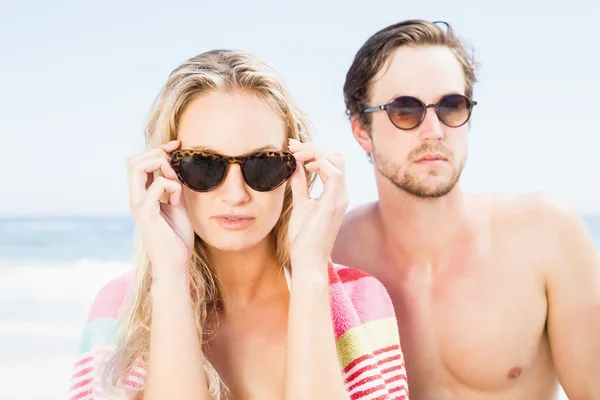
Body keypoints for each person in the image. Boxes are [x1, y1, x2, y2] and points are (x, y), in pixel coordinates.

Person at [67, 49, 408, 400]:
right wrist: (170, 277)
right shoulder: (116, 311)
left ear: (297, 168)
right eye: (203, 165)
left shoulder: (363, 300)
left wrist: (309, 274)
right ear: (166, 169)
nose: (235, 195)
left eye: (263, 164)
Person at [332, 19, 600, 400]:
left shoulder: (547, 236)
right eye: (405, 110)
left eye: (451, 107)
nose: (434, 131)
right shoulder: (330, 257)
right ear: (361, 130)